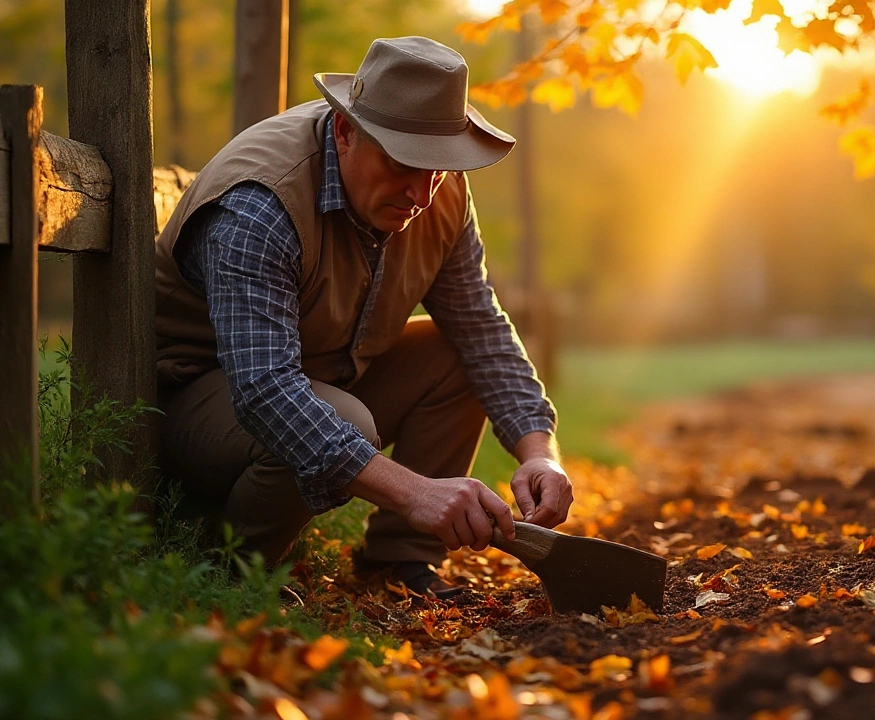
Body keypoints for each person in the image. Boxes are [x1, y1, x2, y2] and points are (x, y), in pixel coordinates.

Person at [152, 36, 572, 599]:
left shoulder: (437, 188)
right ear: (346, 132)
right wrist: (415, 491)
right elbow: (265, 390)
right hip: (193, 401)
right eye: (404, 163)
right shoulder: (260, 204)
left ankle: (399, 564)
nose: (422, 193)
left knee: (454, 353)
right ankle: (228, 574)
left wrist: (539, 452)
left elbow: (481, 328)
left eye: (439, 168)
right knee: (343, 417)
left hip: (322, 378)